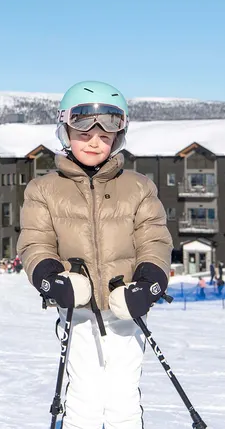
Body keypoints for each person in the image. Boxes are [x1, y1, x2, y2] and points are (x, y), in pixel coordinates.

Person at [17, 81, 172, 429]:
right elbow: (34, 242)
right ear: (65, 130)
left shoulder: (138, 187)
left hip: (125, 306)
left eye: (105, 136)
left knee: (123, 399)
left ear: (118, 138)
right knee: (84, 399)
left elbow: (155, 238)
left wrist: (150, 282)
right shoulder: (43, 189)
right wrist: (52, 279)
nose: (94, 141)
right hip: (78, 309)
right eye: (83, 131)